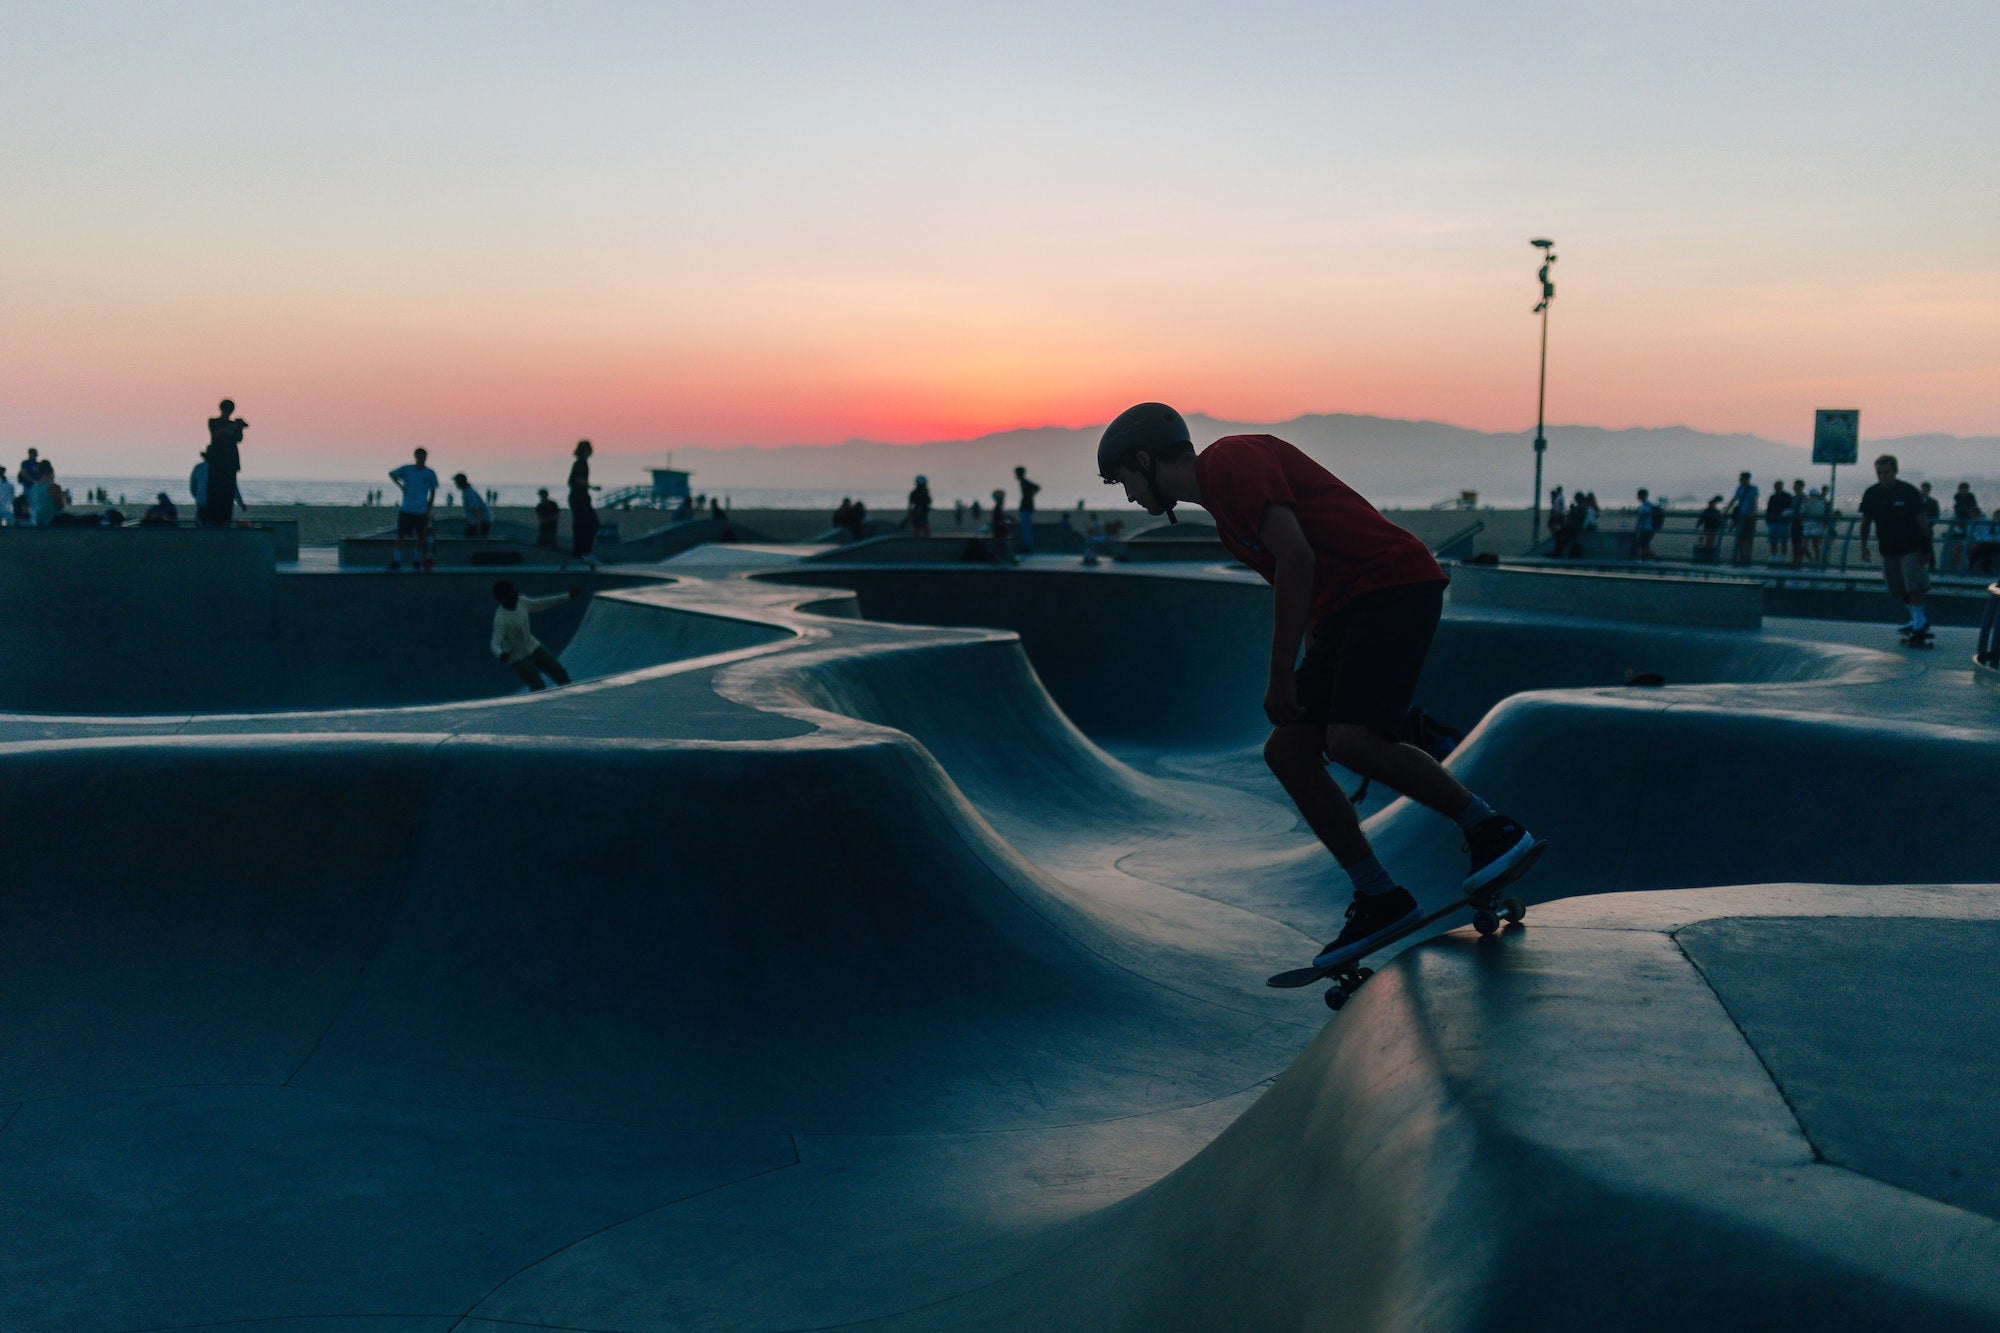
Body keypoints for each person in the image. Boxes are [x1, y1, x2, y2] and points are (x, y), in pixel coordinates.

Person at [1096, 402, 1541, 973]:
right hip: (1342, 615)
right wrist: (1311, 666)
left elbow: (1297, 557)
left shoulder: (1232, 460)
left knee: (1352, 740)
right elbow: (1300, 582)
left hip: (1390, 587)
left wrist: (1283, 673)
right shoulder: (1224, 515)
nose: (1130, 497)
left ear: (1144, 459)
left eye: (1124, 481)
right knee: (1289, 750)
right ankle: (1379, 896)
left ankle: (1492, 829)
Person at [1858, 454, 1933, 639]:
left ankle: (1919, 622)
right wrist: (1864, 545)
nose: (1883, 476)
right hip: (1888, 549)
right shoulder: (1872, 493)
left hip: (1911, 547)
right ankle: (1918, 619)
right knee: (1898, 588)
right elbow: (1866, 521)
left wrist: (1926, 548)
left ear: (1895, 471)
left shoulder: (1908, 492)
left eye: (1887, 472)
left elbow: (1922, 522)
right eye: (1880, 472)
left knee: (1914, 586)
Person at [491, 580, 582, 690]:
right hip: (518, 659)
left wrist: (567, 596)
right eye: (511, 593)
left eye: (514, 592)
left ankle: (570, 695)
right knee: (538, 687)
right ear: (503, 598)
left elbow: (543, 603)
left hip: (534, 648)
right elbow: (495, 643)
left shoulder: (522, 601)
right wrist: (501, 654)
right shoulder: (501, 619)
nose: (516, 595)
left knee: (560, 673)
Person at [387, 447, 441, 571]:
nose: (421, 459)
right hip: (406, 509)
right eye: (419, 456)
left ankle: (416, 561)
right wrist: (401, 486)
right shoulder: (407, 469)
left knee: (421, 537)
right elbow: (392, 474)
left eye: (423, 457)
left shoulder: (430, 473)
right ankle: (396, 561)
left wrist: (429, 509)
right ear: (415, 457)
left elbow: (433, 491)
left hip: (421, 511)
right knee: (401, 535)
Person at [200, 400, 247, 527]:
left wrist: (239, 428)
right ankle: (212, 519)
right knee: (214, 491)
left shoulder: (232, 424)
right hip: (217, 462)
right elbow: (215, 434)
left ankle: (225, 519)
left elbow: (238, 439)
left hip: (230, 463)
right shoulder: (214, 422)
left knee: (228, 492)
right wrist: (231, 427)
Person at [567, 439, 601, 568]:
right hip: (579, 498)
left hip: (580, 498)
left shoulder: (581, 463)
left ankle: (581, 553)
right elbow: (577, 480)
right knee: (588, 525)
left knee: (583, 525)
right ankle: (584, 553)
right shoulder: (581, 464)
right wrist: (592, 487)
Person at [1728, 472, 1758, 564]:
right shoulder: (1739, 489)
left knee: (1749, 537)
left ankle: (1748, 557)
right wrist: (1726, 509)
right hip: (1740, 516)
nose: (1740, 481)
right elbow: (1734, 500)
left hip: (1749, 516)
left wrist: (1754, 511)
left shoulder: (1753, 489)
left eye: (1742, 479)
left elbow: (1755, 500)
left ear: (1747, 479)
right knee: (1740, 537)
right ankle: (1741, 557)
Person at [453, 473, 492, 538]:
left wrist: (478, 527)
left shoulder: (469, 493)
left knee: (471, 542)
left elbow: (476, 510)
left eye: (456, 482)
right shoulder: (466, 492)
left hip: (481, 523)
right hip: (477, 522)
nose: (456, 484)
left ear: (460, 482)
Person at [1013, 466, 1041, 554]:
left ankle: (1027, 547)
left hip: (1026, 507)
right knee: (1025, 528)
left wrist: (1030, 496)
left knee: (1026, 528)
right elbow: (1037, 488)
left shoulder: (1025, 483)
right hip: (1026, 507)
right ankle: (1026, 546)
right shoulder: (1024, 483)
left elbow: (1037, 487)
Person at [1764, 480, 1791, 563]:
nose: (1777, 488)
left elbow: (1789, 508)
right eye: (1776, 486)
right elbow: (1769, 509)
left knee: (1783, 540)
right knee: (1773, 540)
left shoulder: (1787, 496)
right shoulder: (1772, 497)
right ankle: (1773, 556)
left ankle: (1783, 557)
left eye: (1779, 486)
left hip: (1783, 521)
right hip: (1773, 521)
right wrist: (1768, 519)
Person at [1632, 488, 1662, 560]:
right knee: (1643, 545)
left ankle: (1654, 557)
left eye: (1639, 495)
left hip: (1646, 528)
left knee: (1643, 544)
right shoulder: (1648, 505)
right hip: (1648, 528)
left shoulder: (1645, 506)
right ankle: (1644, 558)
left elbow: (1642, 519)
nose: (1637, 497)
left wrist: (1637, 527)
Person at [988, 488, 1014, 563]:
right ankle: (1003, 559)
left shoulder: (998, 508)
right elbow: (999, 521)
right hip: (999, 532)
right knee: (1002, 545)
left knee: (1001, 545)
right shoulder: (997, 509)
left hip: (999, 531)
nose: (1004, 500)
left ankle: (1002, 559)